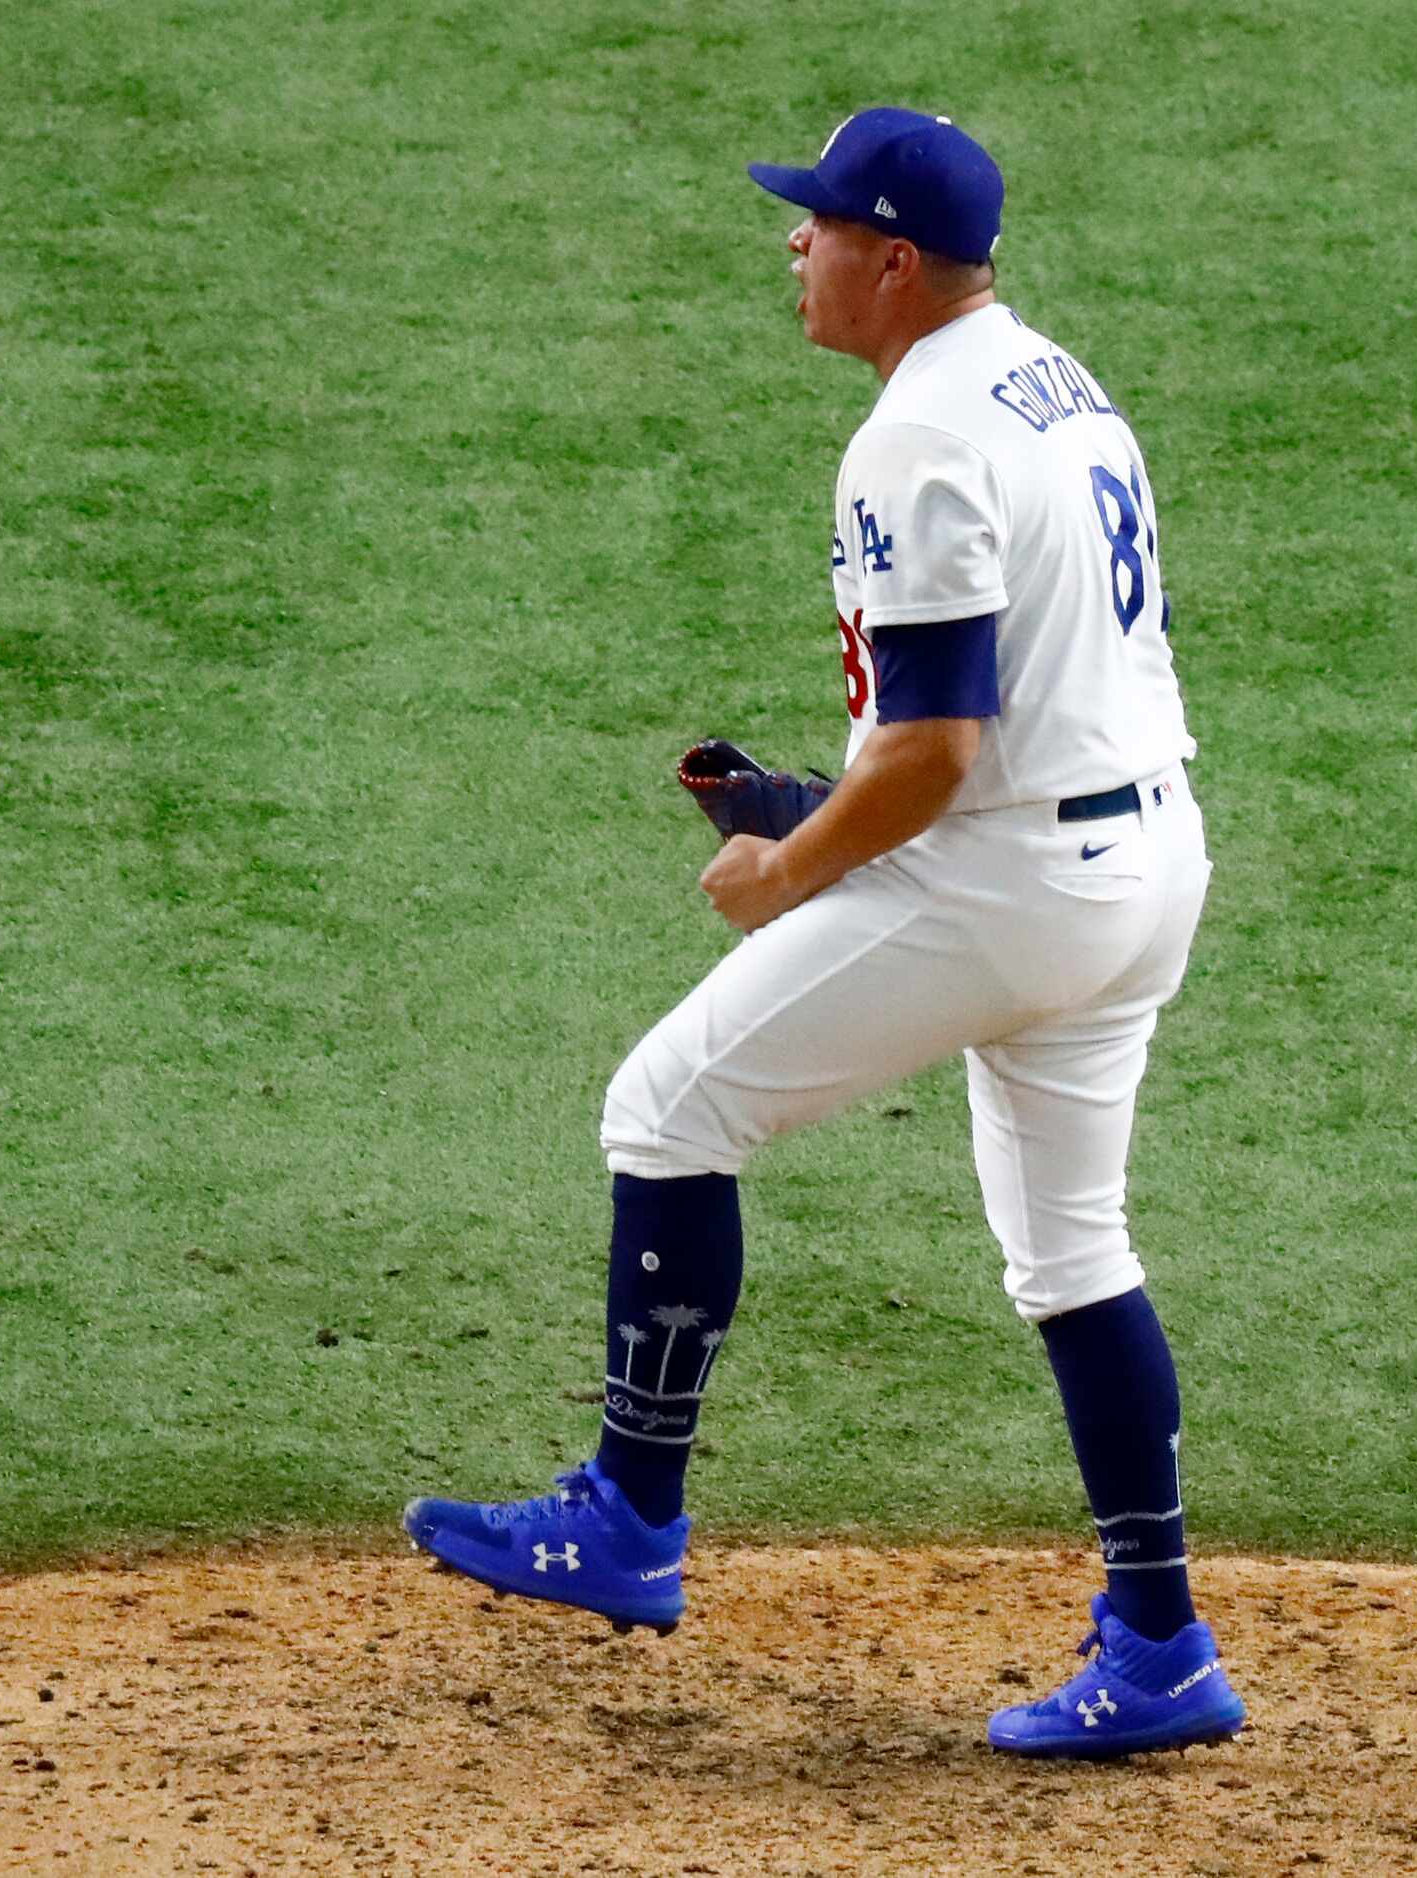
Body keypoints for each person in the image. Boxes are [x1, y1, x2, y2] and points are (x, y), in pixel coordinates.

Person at [402, 107, 1245, 1759]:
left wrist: (789, 873)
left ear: (895, 261)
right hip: (1138, 861)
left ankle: (631, 1518)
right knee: (1073, 1249)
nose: (794, 242)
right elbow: (1008, 711)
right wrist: (806, 799)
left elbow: (937, 754)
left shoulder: (914, 437)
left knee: (666, 1106)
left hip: (1010, 882)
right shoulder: (1054, 382)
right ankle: (1159, 1643)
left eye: (819, 224)